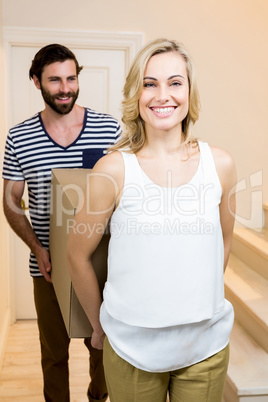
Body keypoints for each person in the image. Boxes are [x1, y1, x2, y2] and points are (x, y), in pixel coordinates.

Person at [66, 38, 237, 402]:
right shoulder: (112, 170)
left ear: (190, 92)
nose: (163, 95)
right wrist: (99, 326)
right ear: (136, 94)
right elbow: (76, 255)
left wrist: (195, 299)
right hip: (131, 350)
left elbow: (224, 240)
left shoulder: (219, 165)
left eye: (175, 82)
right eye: (150, 83)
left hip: (204, 347)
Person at [2, 43, 121, 402]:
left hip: (102, 266)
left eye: (71, 78)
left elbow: (127, 195)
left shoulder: (110, 129)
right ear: (36, 82)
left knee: (103, 348)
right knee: (54, 354)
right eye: (55, 80)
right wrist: (37, 248)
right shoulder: (19, 137)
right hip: (48, 267)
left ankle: (97, 398)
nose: (66, 87)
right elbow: (11, 200)